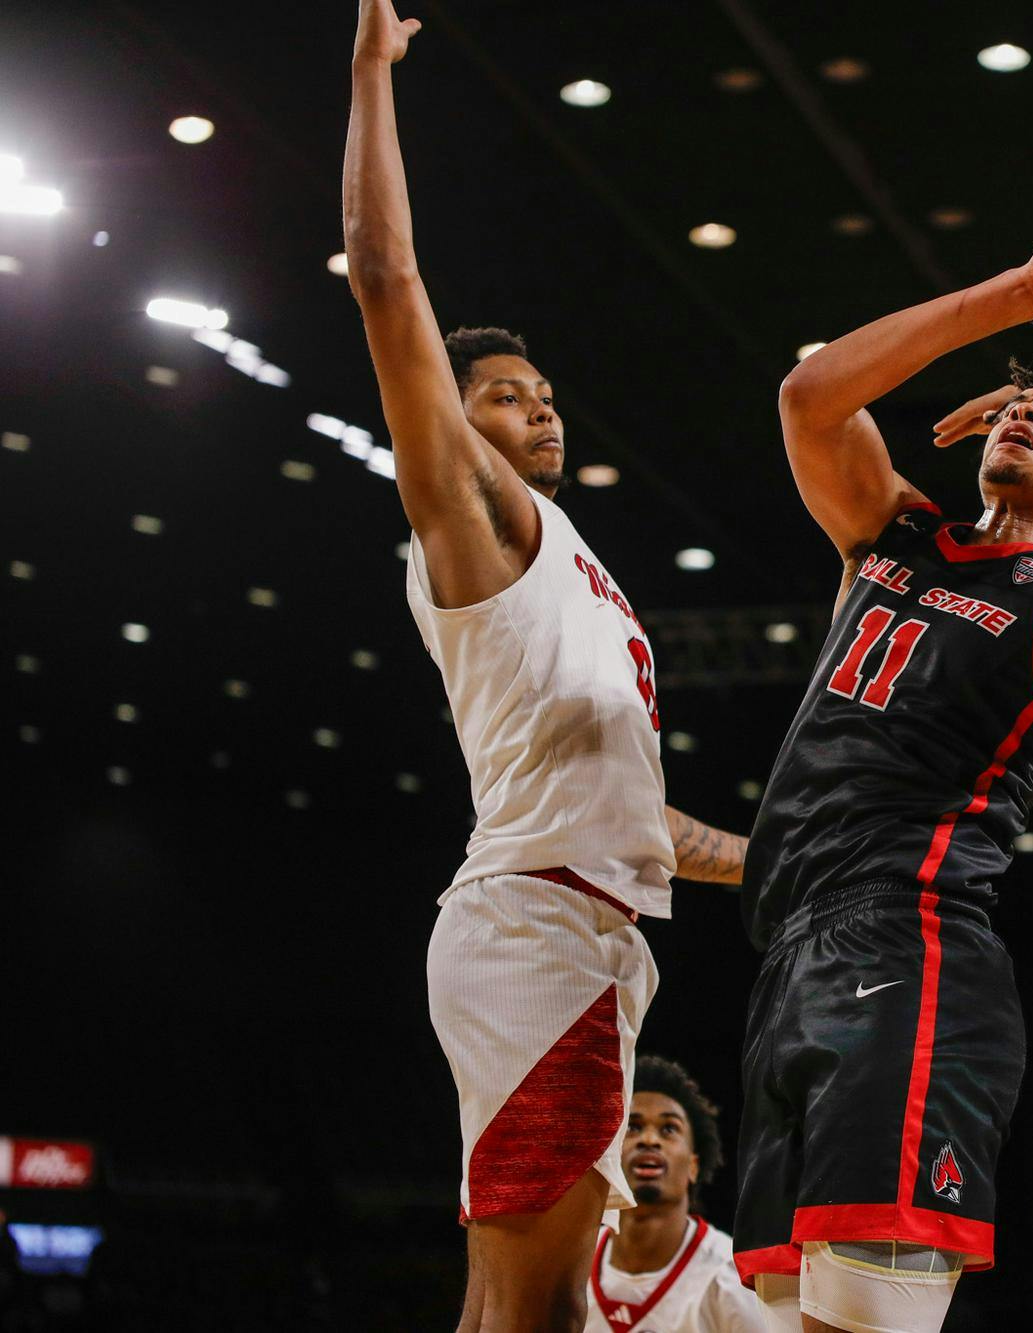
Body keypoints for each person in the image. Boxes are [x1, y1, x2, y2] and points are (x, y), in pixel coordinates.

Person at [731, 166, 1033, 1333]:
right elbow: (809, 396)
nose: (1023, 412)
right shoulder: (898, 536)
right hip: (788, 953)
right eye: (1015, 403)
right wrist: (1026, 289)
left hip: (910, 956)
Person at [342, 4, 744, 1328]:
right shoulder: (473, 517)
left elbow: (630, 813)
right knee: (538, 1313)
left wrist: (769, 857)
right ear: (448, 427)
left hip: (580, 921)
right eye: (508, 392)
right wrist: (370, 75)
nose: (542, 404)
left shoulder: (571, 559)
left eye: (545, 390)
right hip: (538, 925)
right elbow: (386, 278)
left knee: (529, 1305)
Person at [583, 1058, 765, 1332]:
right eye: (633, 1127)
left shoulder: (729, 1274)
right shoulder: (574, 1263)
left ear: (693, 1166)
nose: (649, 1140)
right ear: (610, 1155)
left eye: (669, 1129)